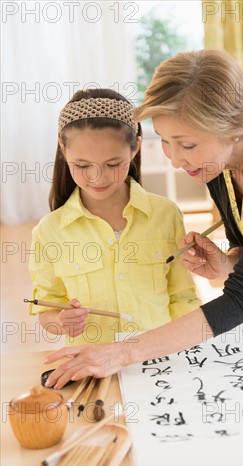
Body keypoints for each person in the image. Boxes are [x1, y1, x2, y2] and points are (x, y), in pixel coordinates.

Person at [44, 49, 243, 390]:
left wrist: (121, 352)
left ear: (233, 128)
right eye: (164, 141)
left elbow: (241, 300)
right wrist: (229, 262)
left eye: (186, 144)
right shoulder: (219, 162)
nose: (175, 159)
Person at [28, 88, 200, 346]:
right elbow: (46, 308)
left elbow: (183, 297)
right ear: (63, 150)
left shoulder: (166, 215)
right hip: (93, 366)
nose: (97, 178)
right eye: (83, 165)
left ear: (135, 148)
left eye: (112, 164)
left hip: (157, 361)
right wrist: (61, 322)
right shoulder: (49, 231)